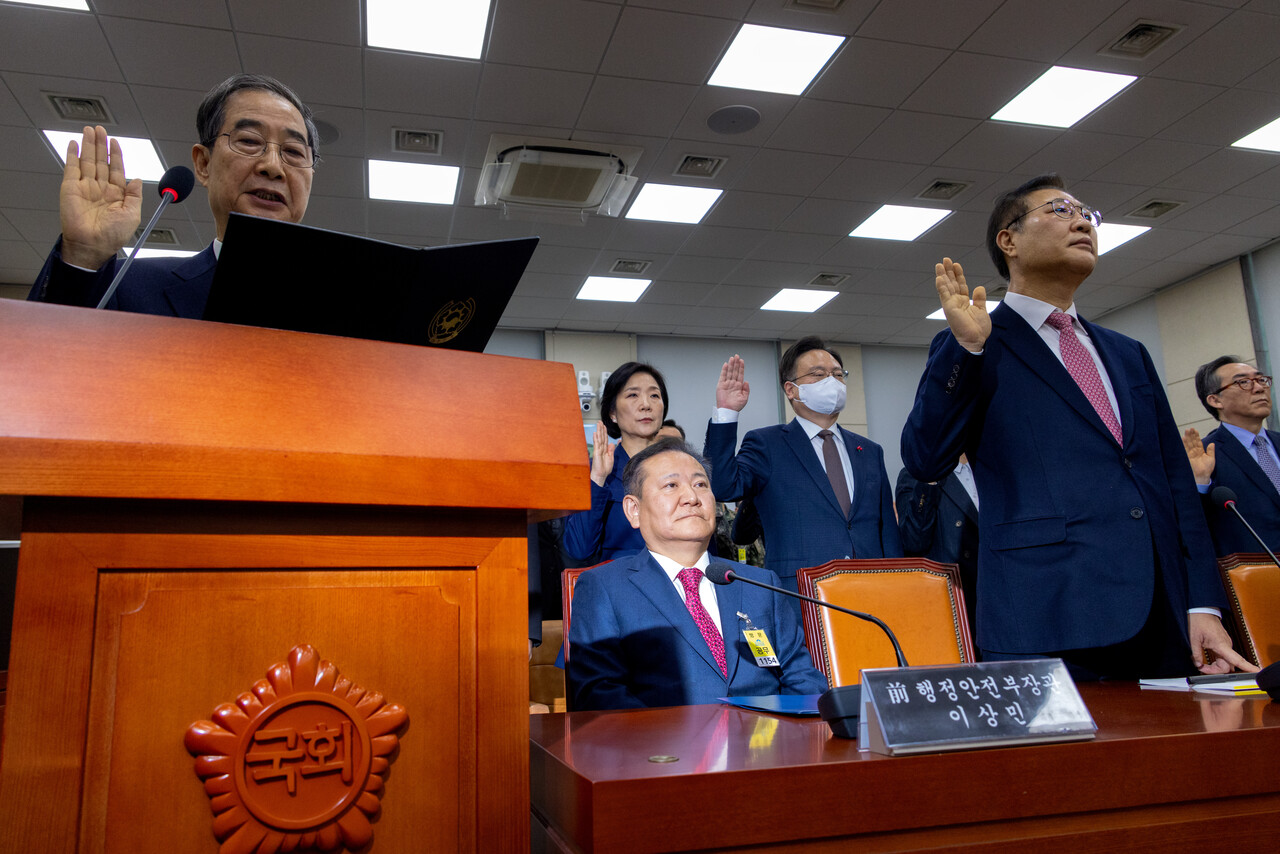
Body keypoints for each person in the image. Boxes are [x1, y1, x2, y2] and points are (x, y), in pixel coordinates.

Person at [901, 173, 1253, 679]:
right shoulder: (977, 341)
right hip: (1050, 610)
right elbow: (926, 457)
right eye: (1062, 210)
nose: (1083, 221)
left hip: (1164, 613)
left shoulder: (1127, 354)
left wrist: (1204, 604)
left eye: (1088, 214)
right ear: (1009, 240)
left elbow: (1174, 486)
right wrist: (968, 349)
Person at [568, 439, 828, 710]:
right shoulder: (605, 587)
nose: (692, 497)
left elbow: (802, 679)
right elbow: (598, 693)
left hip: (766, 745)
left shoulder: (759, 584)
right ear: (634, 510)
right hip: (664, 748)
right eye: (671, 485)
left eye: (700, 484)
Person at [29, 73, 318, 316]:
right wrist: (84, 256)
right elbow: (35, 369)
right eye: (249, 141)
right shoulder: (127, 287)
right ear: (203, 164)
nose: (272, 166)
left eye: (293, 152)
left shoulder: (357, 302)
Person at [704, 337, 901, 596]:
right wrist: (727, 412)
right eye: (818, 374)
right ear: (791, 389)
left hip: (871, 593)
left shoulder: (869, 451)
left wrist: (898, 585)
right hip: (802, 596)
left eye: (838, 374)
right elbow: (721, 485)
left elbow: (887, 532)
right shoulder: (767, 444)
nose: (832, 381)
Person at [561, 362, 669, 566]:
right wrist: (598, 478)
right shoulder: (595, 471)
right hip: (621, 585)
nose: (646, 404)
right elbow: (579, 550)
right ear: (612, 413)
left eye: (654, 395)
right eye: (633, 395)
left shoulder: (680, 467)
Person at [1184, 356, 1280, 556]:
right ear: (1215, 399)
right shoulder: (1203, 456)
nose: (1259, 388)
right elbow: (1190, 527)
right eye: (1243, 382)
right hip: (1257, 578)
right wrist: (1199, 483)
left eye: (1261, 380)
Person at [894, 454, 980, 634]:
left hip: (999, 597)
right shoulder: (915, 476)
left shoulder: (992, 470)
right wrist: (929, 478)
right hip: (954, 605)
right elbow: (914, 541)